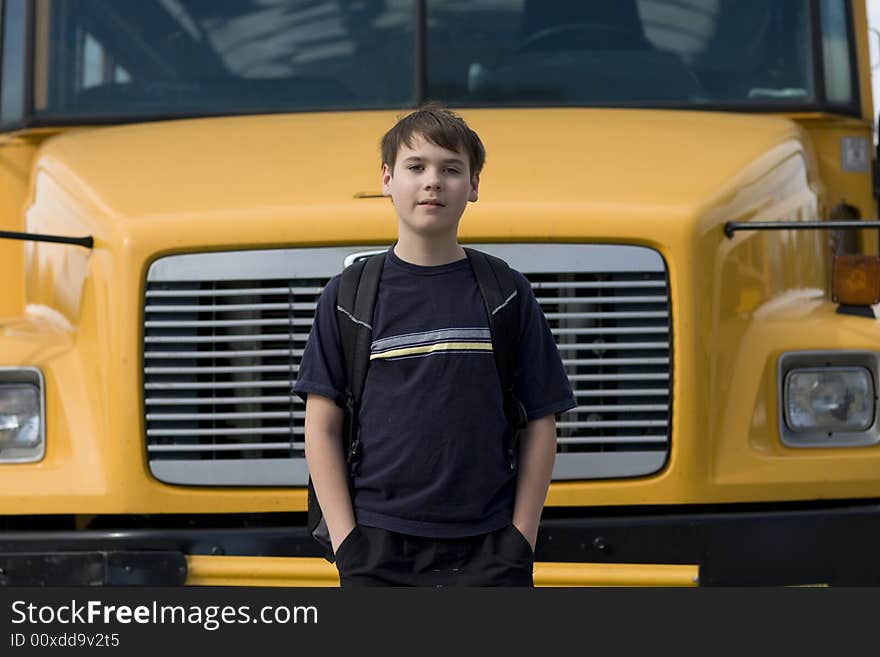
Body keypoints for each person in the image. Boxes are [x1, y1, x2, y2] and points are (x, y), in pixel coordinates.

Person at [293, 103, 575, 587]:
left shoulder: (506, 292)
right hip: (377, 543)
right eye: (415, 166)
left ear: (474, 185)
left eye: (451, 169)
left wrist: (520, 538)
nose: (433, 181)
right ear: (386, 178)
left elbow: (541, 423)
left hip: (489, 544)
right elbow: (321, 427)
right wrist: (349, 545)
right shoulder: (349, 296)